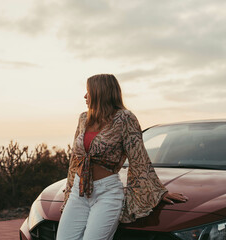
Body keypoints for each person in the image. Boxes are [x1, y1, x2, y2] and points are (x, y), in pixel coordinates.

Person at [56, 74, 189, 240]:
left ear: (100, 92)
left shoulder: (125, 118)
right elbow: (75, 160)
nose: (85, 96)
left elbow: (138, 157)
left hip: (107, 193)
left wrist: (159, 191)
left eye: (88, 92)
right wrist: (70, 187)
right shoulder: (84, 118)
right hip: (79, 191)